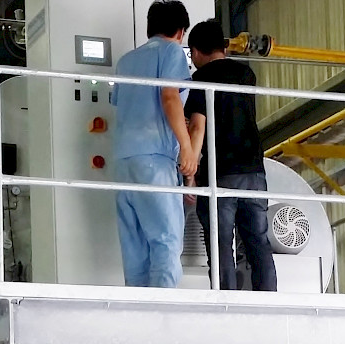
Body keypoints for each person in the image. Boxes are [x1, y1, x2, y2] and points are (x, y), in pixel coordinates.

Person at [184, 19, 277, 291]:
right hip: (253, 170)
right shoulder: (246, 74)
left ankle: (226, 300)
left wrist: (190, 174)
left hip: (220, 171)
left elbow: (198, 126)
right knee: (258, 240)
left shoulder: (201, 79)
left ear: (196, 51)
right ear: (223, 47)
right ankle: (269, 297)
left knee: (221, 243)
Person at [111, 0, 196, 288]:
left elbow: (120, 105)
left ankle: (137, 310)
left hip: (122, 162)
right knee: (166, 241)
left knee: (134, 248)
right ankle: (164, 309)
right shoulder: (171, 51)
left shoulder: (125, 61)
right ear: (180, 31)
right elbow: (169, 96)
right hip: (154, 159)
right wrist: (186, 147)